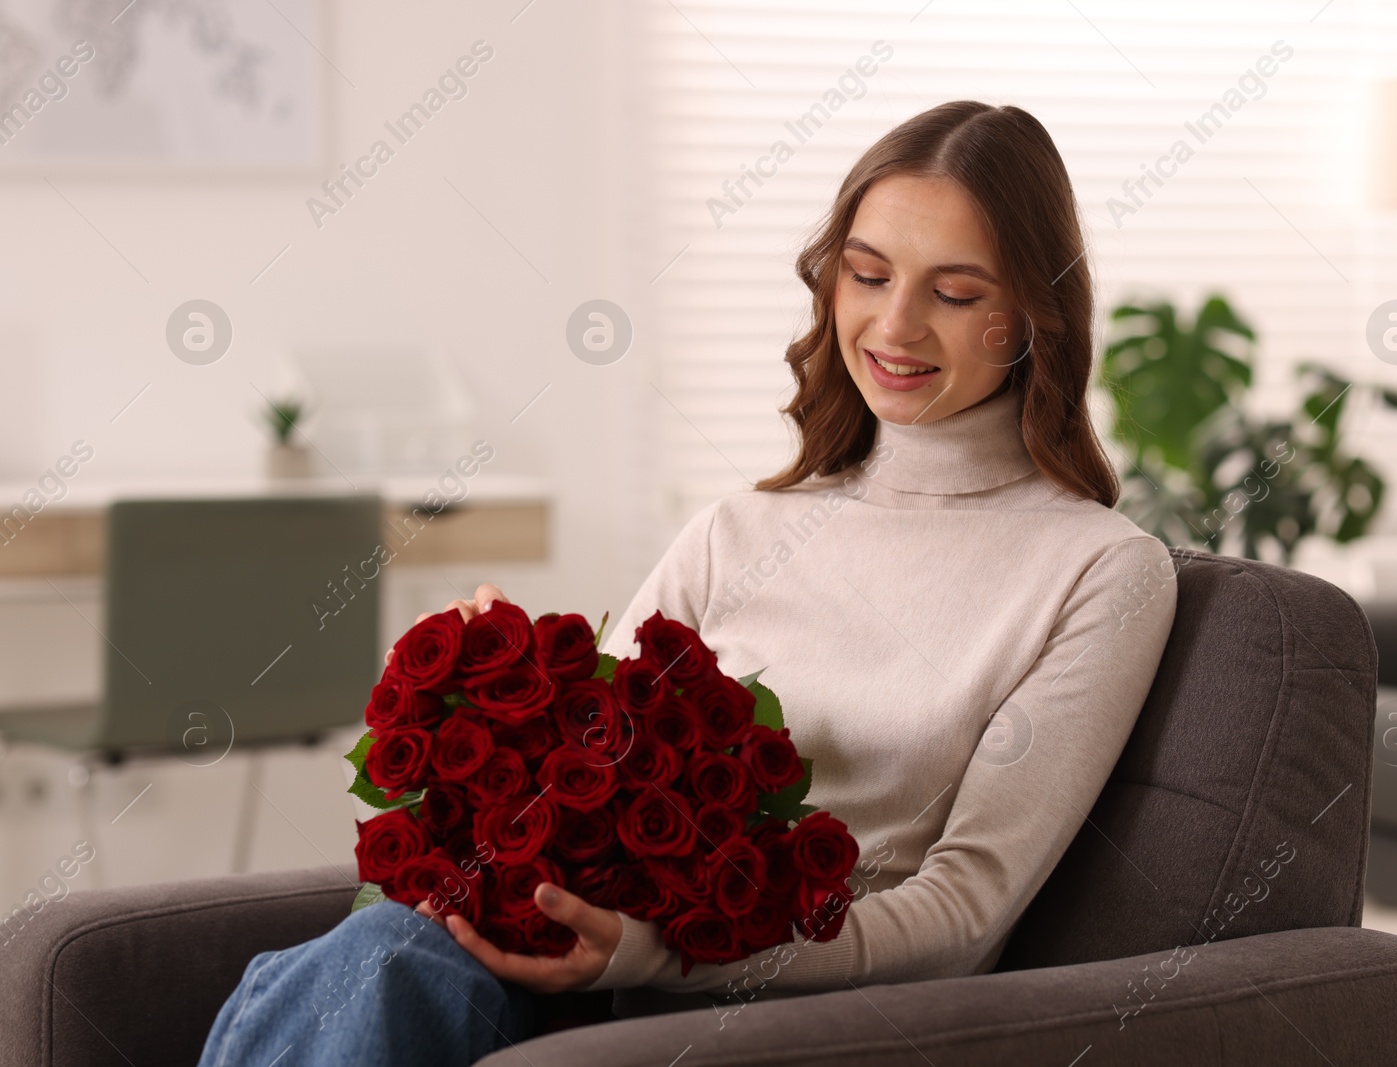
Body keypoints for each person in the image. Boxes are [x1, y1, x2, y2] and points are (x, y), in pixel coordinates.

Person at [198, 99, 1177, 1066]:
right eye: (867, 274)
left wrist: (659, 954)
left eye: (955, 293)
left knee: (378, 967)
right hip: (590, 969)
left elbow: (965, 911)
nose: (895, 321)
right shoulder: (738, 531)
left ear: (1030, 319)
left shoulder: (1095, 569)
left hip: (781, 1023)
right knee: (356, 959)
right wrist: (481, 709)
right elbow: (577, 771)